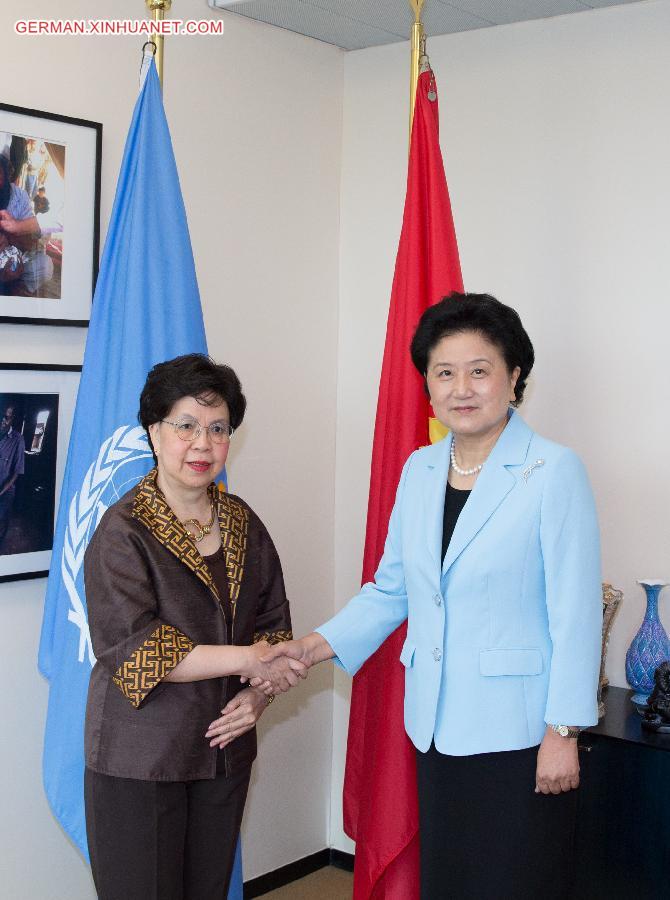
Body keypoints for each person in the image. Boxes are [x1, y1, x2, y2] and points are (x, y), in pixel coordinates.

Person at [262, 293, 602, 899]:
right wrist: (313, 647)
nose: (461, 388)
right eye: (444, 373)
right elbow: (392, 589)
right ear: (427, 383)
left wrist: (565, 732)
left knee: (514, 884)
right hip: (437, 726)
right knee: (451, 883)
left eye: (479, 370)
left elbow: (576, 613)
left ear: (514, 377)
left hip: (521, 737)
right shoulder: (420, 469)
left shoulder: (552, 470)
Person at [84, 353, 305, 900]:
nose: (201, 444)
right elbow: (139, 652)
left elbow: (275, 627)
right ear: (154, 434)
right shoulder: (123, 531)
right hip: (143, 759)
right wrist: (248, 660)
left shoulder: (243, 522)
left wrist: (258, 698)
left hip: (224, 754)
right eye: (184, 426)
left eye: (217, 428)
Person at [0, 153, 53, 295]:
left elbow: (30, 240)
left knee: (45, 265)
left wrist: (9, 240)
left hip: (14, 257)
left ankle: (17, 292)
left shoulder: (19, 196)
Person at [0, 404, 25, 550]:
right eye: (1, 416)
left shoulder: (18, 440)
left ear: (12, 419)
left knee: (1, 522)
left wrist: (1, 492)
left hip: (5, 492)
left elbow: (17, 472)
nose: (3, 420)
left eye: (7, 417)